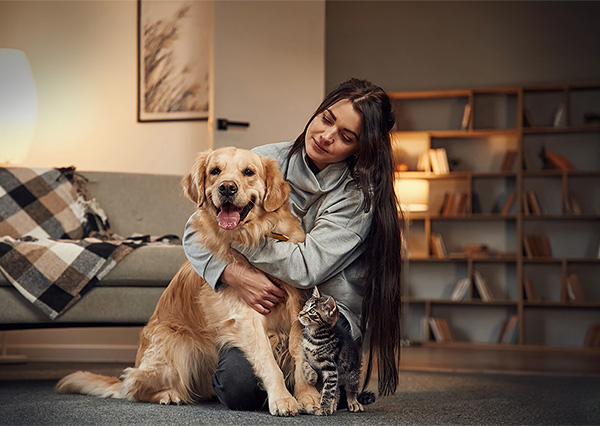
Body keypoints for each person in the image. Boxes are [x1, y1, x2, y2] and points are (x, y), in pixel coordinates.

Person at [183, 78, 403, 411]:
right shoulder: (263, 159)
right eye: (327, 119)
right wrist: (232, 274)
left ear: (360, 148)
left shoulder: (357, 196)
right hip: (267, 306)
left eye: (346, 136)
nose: (326, 136)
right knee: (238, 387)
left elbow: (304, 269)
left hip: (323, 311)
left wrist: (236, 238)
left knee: (273, 378)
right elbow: (195, 230)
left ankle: (325, 379)